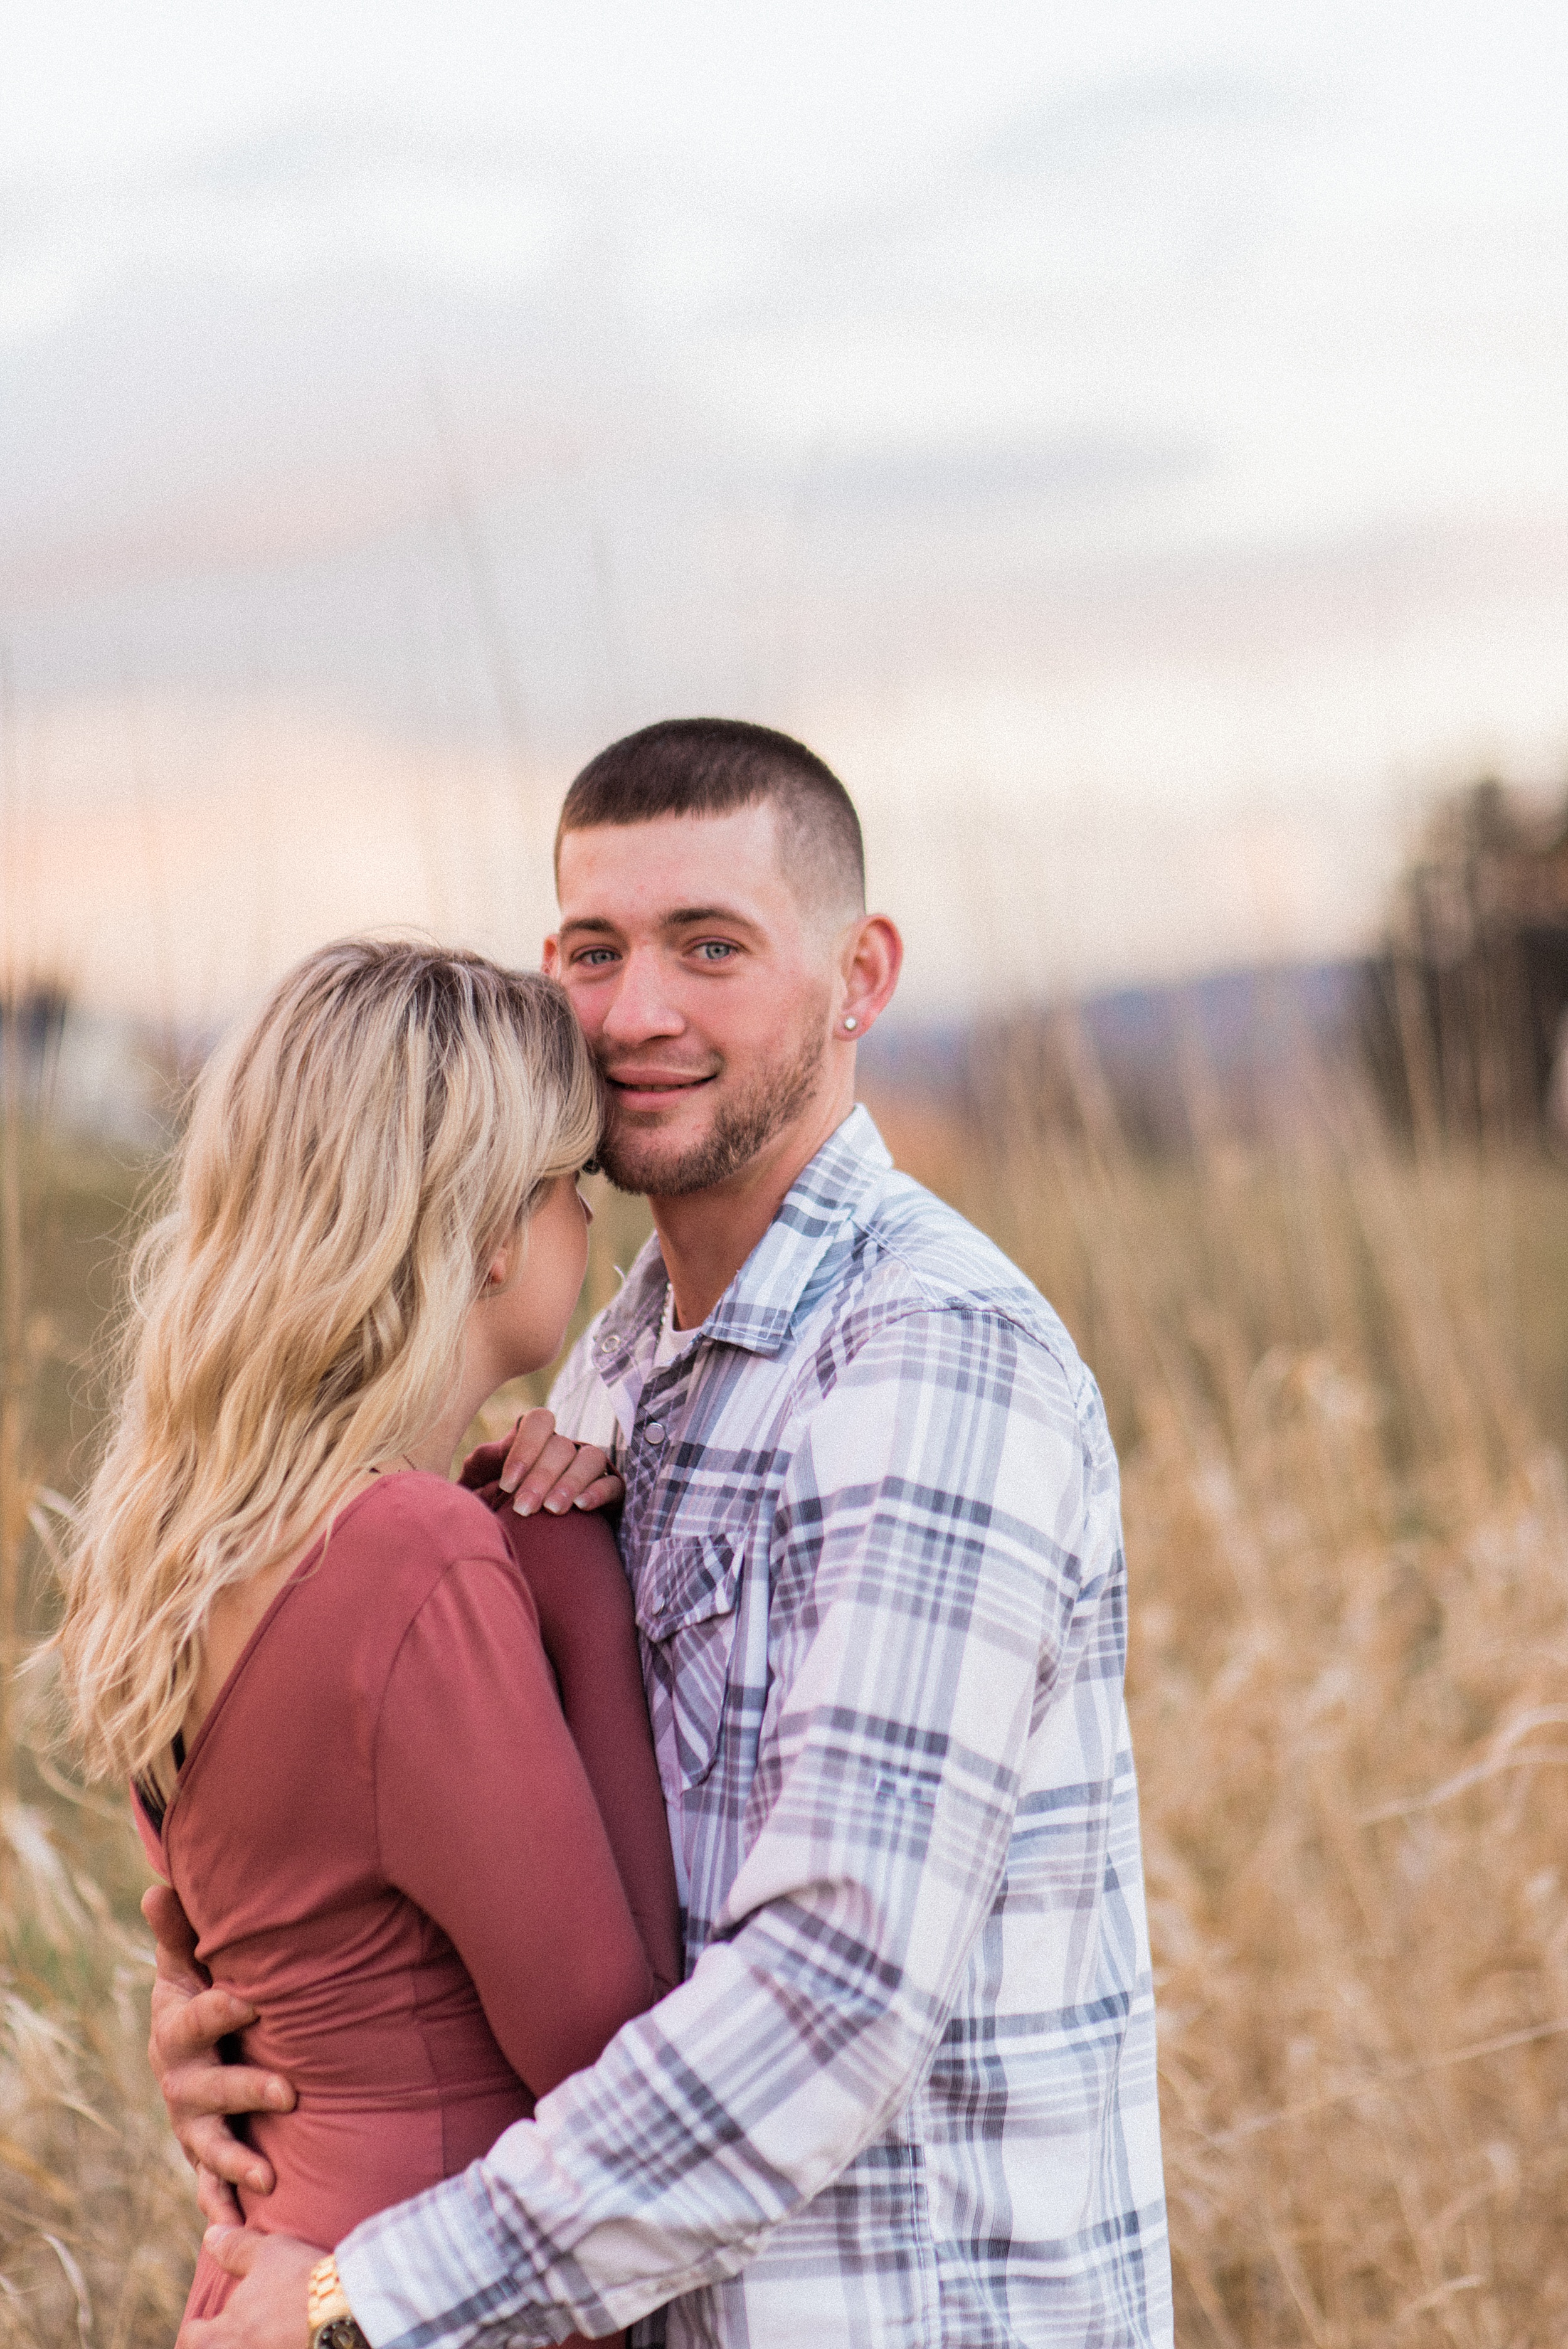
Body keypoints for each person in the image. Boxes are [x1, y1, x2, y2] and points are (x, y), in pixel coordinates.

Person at [151, 720, 1173, 2349]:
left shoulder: (927, 1360)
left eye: (711, 947)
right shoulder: (614, 1365)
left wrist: (368, 2287)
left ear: (858, 973)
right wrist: (249, 2014)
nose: (635, 1014)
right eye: (592, 950)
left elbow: (830, 1998)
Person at [53, 941, 680, 2341]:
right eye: (572, 1187)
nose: (593, 1227)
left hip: (269, 2266)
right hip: (409, 2295)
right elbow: (611, 2053)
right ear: (490, 1229)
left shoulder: (192, 1537)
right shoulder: (414, 1555)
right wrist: (570, 1561)